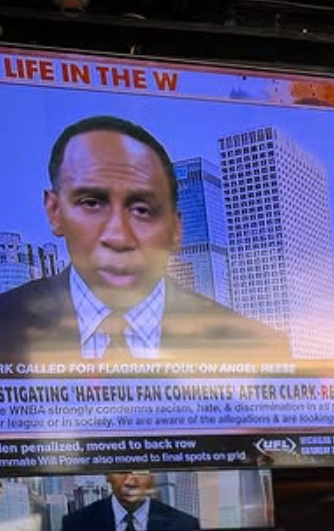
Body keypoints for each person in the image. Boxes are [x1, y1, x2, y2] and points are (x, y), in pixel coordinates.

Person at [0, 115, 291, 366]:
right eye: (91, 203)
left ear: (176, 229)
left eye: (142, 210)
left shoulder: (260, 349)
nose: (118, 236)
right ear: (55, 211)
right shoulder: (6, 324)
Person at [60, 471, 199, 531]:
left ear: (153, 475)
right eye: (121, 469)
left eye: (139, 470)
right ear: (107, 475)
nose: (130, 482)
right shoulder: (75, 525)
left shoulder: (186, 525)